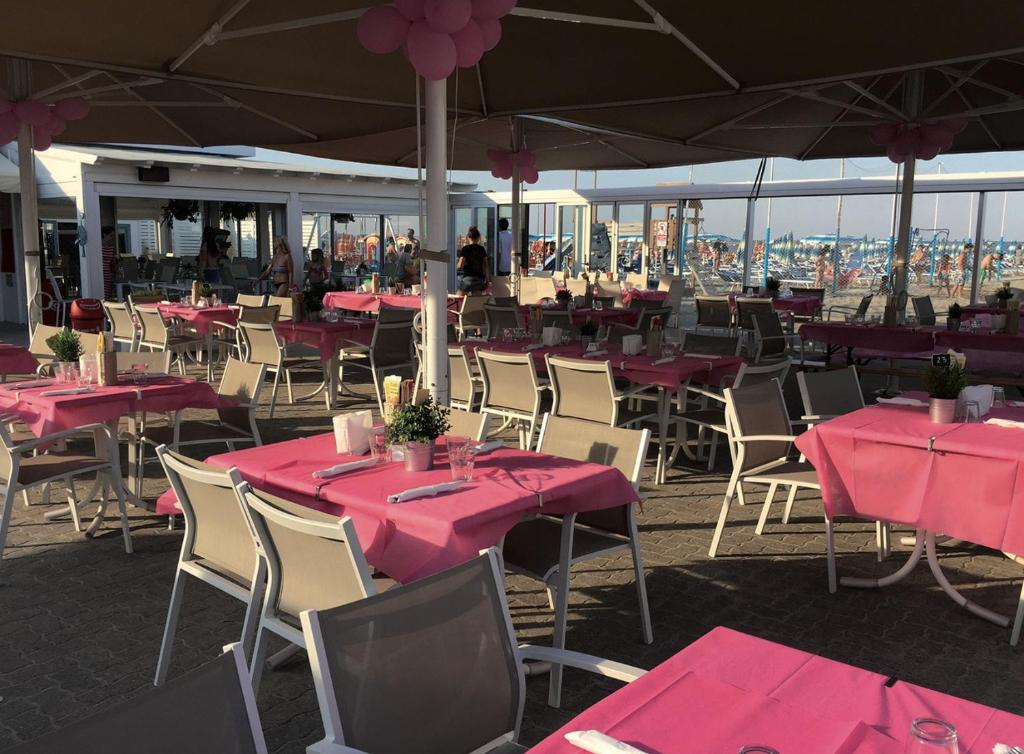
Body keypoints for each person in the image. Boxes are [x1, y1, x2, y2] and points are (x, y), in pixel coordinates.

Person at [456, 226, 490, 294]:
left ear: (468, 237)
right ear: (478, 238)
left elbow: (460, 265)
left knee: (459, 299)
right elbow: (485, 265)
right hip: (479, 279)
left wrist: (456, 266)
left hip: (467, 279)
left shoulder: (465, 249)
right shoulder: (482, 249)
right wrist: (487, 280)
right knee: (476, 301)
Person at [100, 226, 116, 299]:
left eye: (113, 236)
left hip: (107, 273)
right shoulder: (98, 247)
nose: (112, 238)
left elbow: (112, 262)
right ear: (104, 235)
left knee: (107, 295)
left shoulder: (112, 248)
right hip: (99, 273)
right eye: (111, 235)